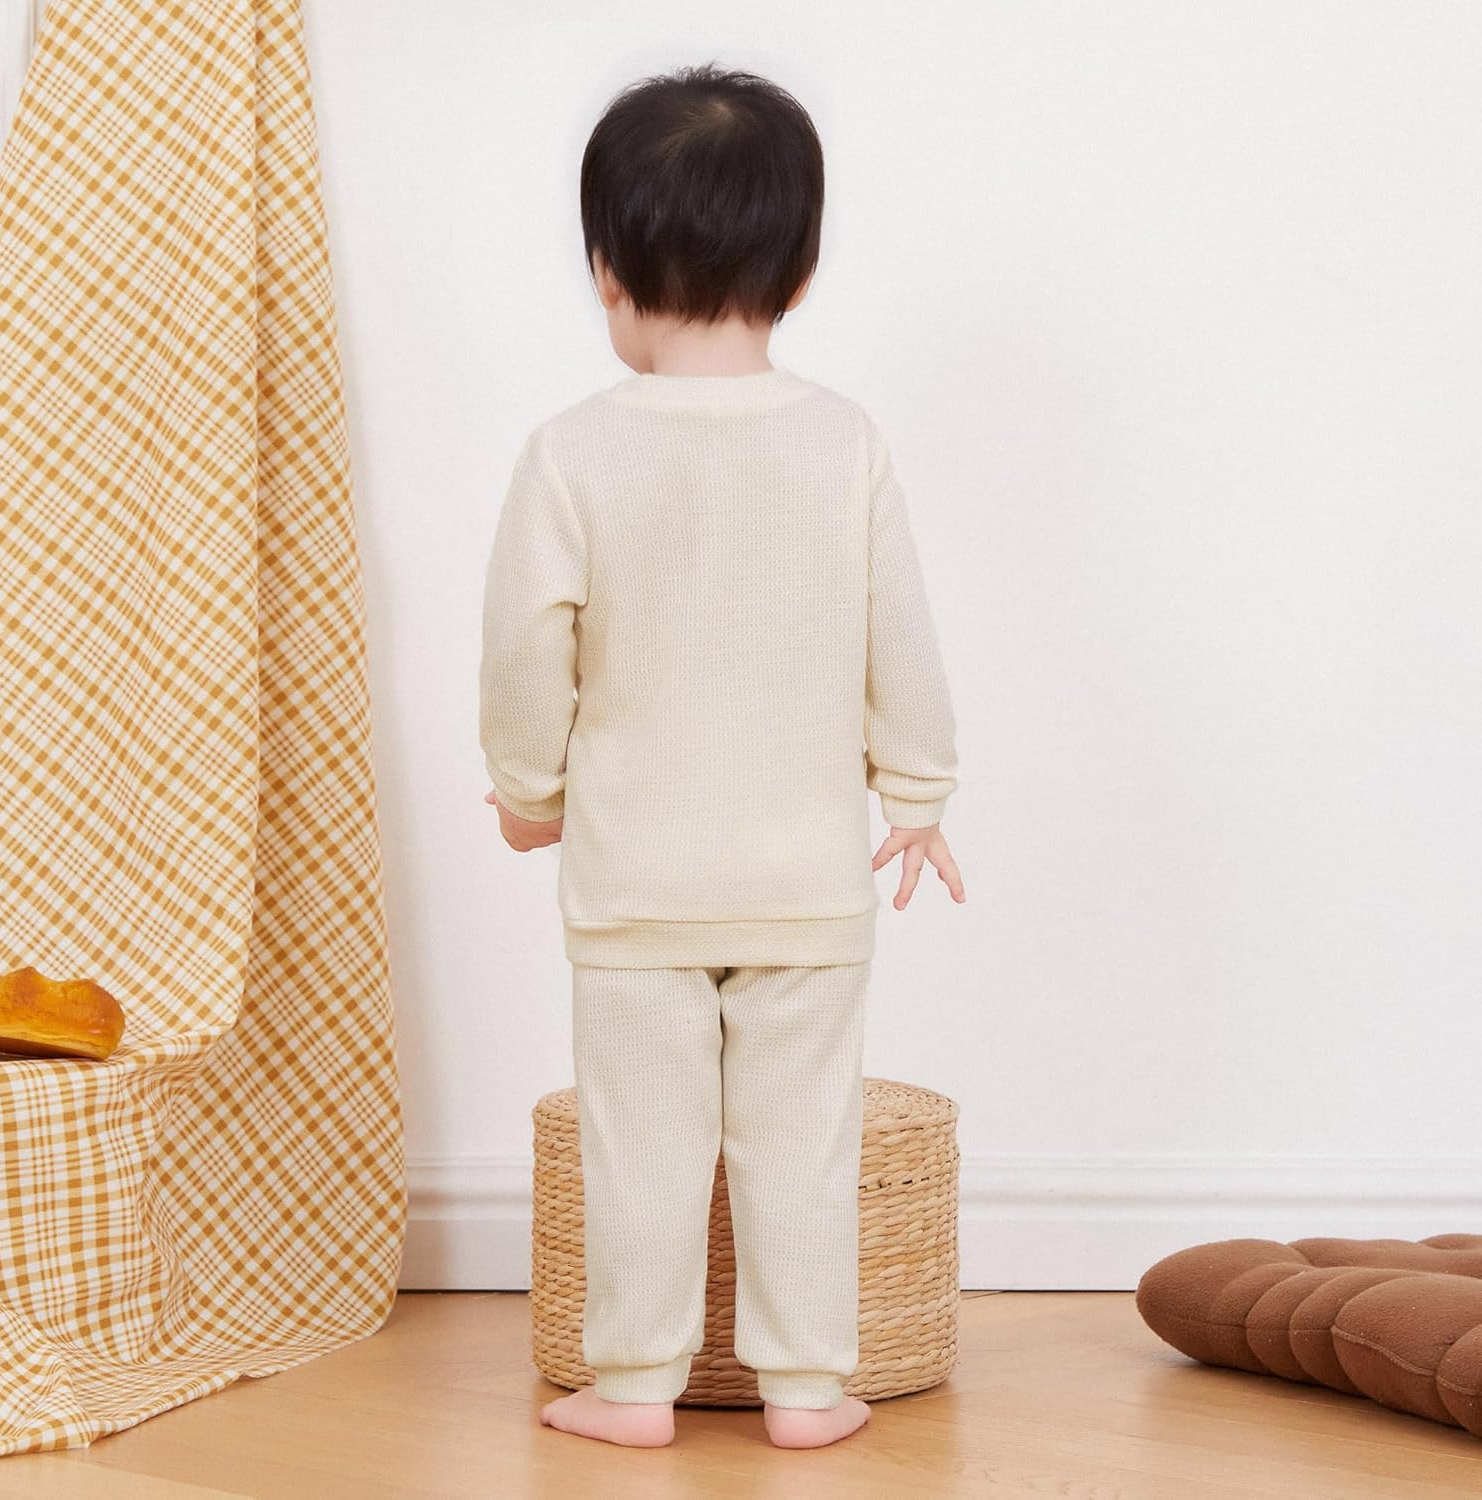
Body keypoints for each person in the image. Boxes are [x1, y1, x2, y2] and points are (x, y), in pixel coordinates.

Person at [479, 60, 964, 1451]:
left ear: (606, 272)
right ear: (799, 274)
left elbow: (525, 652)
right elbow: (901, 637)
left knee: (640, 1143)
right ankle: (808, 1389)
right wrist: (918, 793)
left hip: (635, 885)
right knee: (801, 1141)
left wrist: (528, 795)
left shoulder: (571, 454)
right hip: (804, 884)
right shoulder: (843, 444)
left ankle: (634, 1384)